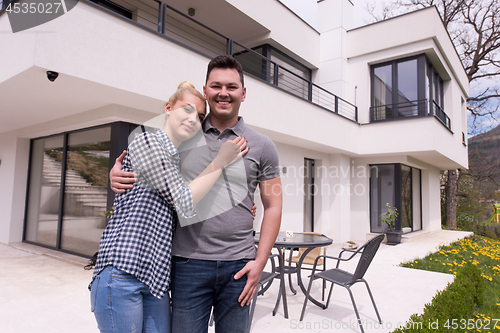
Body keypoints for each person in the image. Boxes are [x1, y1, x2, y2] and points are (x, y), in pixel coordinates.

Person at [110, 56, 282, 333]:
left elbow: (273, 204)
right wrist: (116, 173)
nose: (223, 93)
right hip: (187, 264)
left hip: (239, 264)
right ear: (206, 91)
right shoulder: (184, 134)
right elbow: (148, 165)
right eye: (216, 86)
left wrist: (260, 261)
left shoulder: (263, 146)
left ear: (243, 93)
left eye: (231, 86)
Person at [90, 81, 248, 333]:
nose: (192, 120)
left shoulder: (181, 161)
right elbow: (183, 202)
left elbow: (196, 200)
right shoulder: (146, 141)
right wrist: (220, 161)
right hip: (123, 272)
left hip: (157, 279)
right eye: (186, 110)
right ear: (167, 108)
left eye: (198, 117)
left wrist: (240, 209)